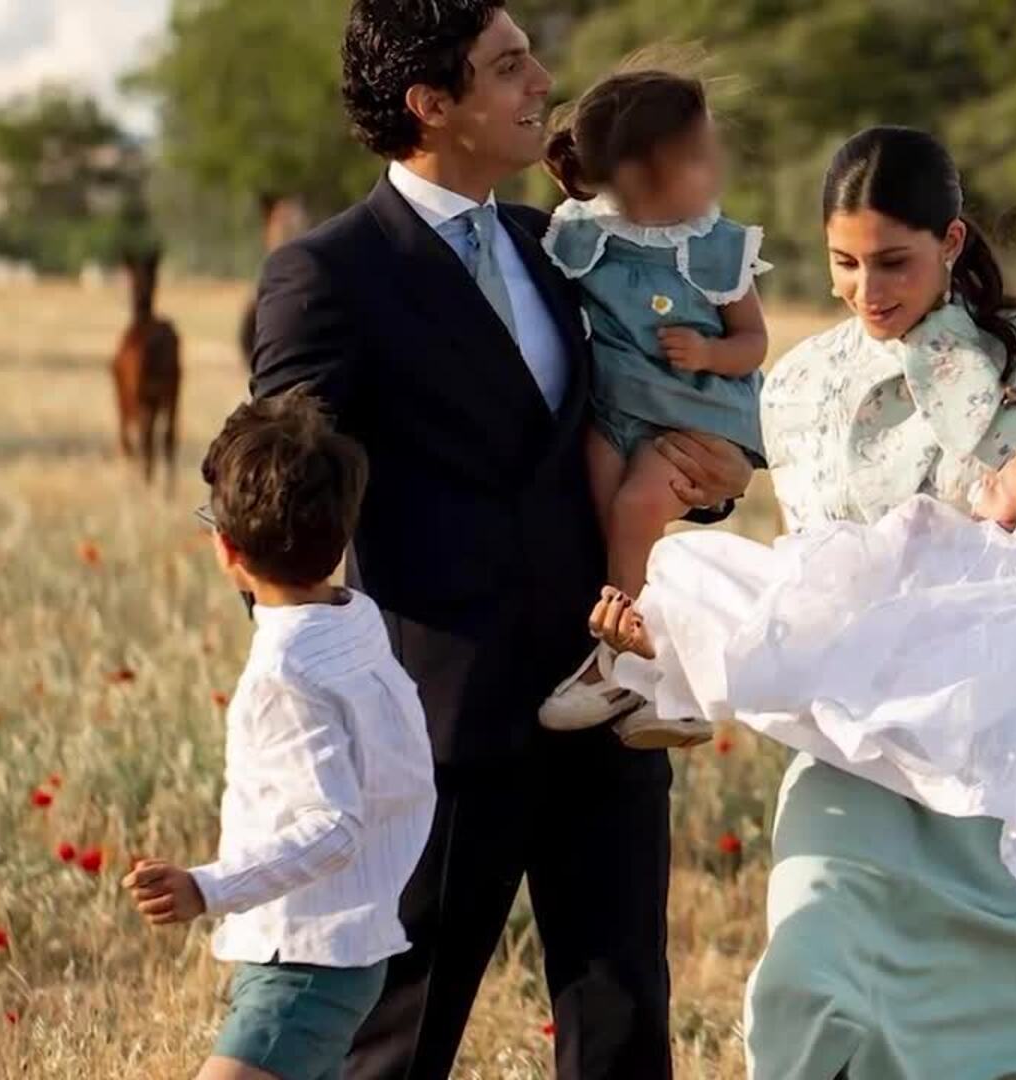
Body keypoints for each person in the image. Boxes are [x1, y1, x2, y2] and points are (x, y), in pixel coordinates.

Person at [246, 3, 753, 1078]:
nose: (542, 82)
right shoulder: (327, 273)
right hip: (437, 732)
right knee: (396, 1046)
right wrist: (321, 701)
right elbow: (282, 499)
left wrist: (711, 484)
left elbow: (637, 410)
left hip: (605, 699)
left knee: (624, 1038)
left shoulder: (558, 244)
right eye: (510, 65)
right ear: (433, 104)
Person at [736, 126, 1016, 1078]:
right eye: (843, 263)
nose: (866, 290)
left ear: (952, 241)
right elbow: (808, 571)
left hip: (1010, 751)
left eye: (893, 261)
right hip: (854, 752)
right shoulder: (799, 386)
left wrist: (951, 632)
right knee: (815, 987)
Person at [590, 434, 1016, 902]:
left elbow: (894, 551)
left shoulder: (986, 558)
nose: (996, 469)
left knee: (724, 585)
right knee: (754, 617)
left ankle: (658, 658)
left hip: (863, 638)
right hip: (871, 653)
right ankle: (665, 663)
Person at [123, 389, 436, 1080]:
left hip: (304, 963)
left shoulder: (285, 671)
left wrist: (207, 887)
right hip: (343, 950)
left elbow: (334, 827)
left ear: (227, 548)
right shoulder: (357, 622)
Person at [535, 60, 773, 749]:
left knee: (636, 509)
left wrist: (710, 355)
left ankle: (628, 657)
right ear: (637, 174)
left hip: (689, 412)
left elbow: (753, 341)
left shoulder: (714, 247)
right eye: (697, 158)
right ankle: (658, 672)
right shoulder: (581, 235)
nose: (714, 173)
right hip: (617, 409)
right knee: (604, 512)